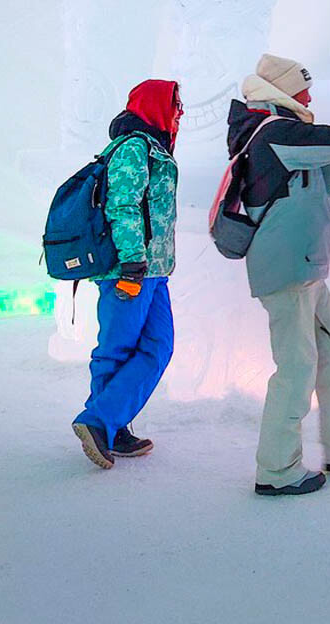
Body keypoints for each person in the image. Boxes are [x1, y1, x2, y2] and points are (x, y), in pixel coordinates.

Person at [227, 53, 330, 496]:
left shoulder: (280, 131)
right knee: (296, 370)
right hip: (286, 269)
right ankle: (277, 472)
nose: (310, 95)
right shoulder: (275, 132)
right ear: (282, 89)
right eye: (303, 88)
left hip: (304, 267)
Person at [72, 80, 183, 469]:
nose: (180, 111)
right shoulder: (134, 147)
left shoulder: (152, 146)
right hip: (130, 268)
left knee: (158, 346)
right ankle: (102, 425)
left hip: (154, 271)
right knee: (116, 349)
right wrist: (133, 260)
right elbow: (123, 204)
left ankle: (108, 422)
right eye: (175, 103)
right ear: (155, 106)